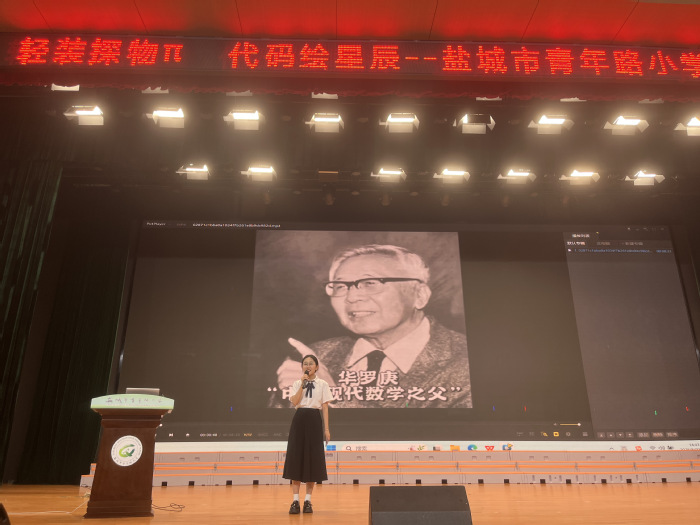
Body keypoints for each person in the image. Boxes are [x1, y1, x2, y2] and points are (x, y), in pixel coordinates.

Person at [274, 244, 472, 408]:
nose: (352, 297)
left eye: (370, 283)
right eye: (340, 286)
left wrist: (334, 397)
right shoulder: (312, 357)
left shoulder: (469, 362)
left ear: (419, 295)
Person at [282, 354, 333, 514]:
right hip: (299, 419)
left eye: (311, 363)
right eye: (305, 363)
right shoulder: (298, 383)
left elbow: (325, 407)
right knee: (296, 457)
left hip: (314, 419)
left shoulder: (323, 384)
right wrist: (302, 385)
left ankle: (308, 501)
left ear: (316, 367)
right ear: (302, 367)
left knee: (313, 459)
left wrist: (326, 429)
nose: (308, 366)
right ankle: (295, 500)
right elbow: (295, 401)